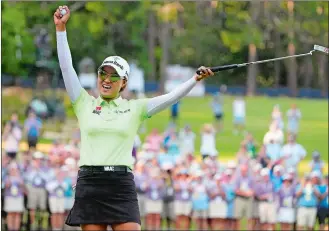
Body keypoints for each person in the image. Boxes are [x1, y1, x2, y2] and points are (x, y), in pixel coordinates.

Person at [54, 5, 214, 231]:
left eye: (114, 76)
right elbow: (66, 67)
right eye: (103, 73)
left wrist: (194, 79)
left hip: (121, 184)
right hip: (91, 183)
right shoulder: (83, 102)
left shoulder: (135, 108)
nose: (106, 79)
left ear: (124, 83)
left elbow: (170, 97)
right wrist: (61, 30)